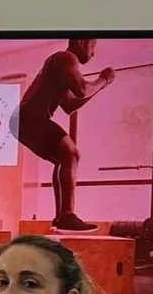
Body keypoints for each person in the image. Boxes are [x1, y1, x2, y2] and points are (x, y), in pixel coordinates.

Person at [14, 39, 116, 233]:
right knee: (71, 153)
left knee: (64, 159)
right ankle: (67, 215)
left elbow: (70, 105)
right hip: (29, 118)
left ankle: (61, 217)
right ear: (80, 42)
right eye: (92, 46)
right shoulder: (65, 57)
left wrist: (100, 86)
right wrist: (103, 79)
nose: (94, 53)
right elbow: (83, 89)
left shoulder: (61, 67)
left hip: (24, 121)